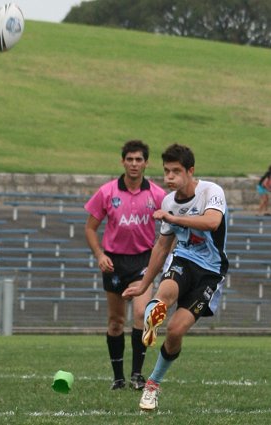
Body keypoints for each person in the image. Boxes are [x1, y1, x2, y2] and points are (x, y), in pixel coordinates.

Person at [122, 143, 228, 409]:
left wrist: (173, 218)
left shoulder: (211, 191)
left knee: (176, 331)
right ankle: (152, 314)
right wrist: (143, 285)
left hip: (211, 272)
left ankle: (153, 383)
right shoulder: (168, 202)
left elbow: (212, 222)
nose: (169, 177)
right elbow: (161, 247)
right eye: (166, 171)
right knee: (165, 293)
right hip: (184, 260)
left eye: (176, 171)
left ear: (190, 171)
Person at [84, 140, 166, 390]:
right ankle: (118, 377)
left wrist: (162, 255)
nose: (134, 164)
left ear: (146, 163)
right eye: (129, 159)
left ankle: (137, 375)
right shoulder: (107, 192)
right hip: (115, 262)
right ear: (122, 161)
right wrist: (99, 254)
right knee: (116, 321)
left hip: (143, 261)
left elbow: (171, 226)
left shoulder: (157, 194)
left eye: (138, 159)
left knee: (142, 314)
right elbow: (90, 227)